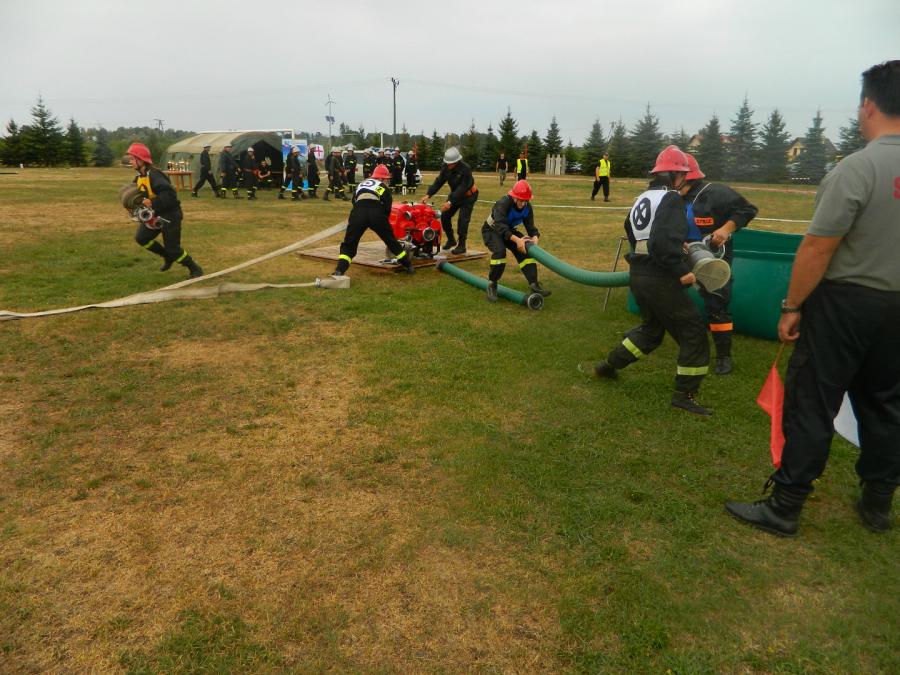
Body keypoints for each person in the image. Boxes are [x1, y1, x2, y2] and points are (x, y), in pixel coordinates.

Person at [725, 60, 900, 537]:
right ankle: (878, 503)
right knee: (886, 402)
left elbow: (819, 247)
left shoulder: (858, 168)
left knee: (813, 401)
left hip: (845, 304)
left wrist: (792, 306)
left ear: (869, 106)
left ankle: (786, 506)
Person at [583, 145, 711, 416]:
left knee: (651, 331)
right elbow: (662, 243)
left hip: (639, 273)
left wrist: (660, 246)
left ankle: (608, 366)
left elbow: (630, 228)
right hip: (661, 276)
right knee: (693, 332)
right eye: (685, 176)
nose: (686, 182)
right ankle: (684, 395)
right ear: (677, 175)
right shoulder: (671, 198)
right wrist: (681, 270)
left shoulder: (644, 197)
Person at [681, 152, 758, 375]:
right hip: (682, 255)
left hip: (714, 258)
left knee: (717, 305)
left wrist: (725, 229)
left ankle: (723, 356)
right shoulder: (672, 196)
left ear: (687, 177)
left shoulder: (716, 193)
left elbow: (748, 209)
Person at [125, 142, 203, 279]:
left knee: (173, 249)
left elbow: (171, 196)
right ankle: (167, 256)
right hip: (155, 214)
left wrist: (152, 203)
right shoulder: (139, 177)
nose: (130, 162)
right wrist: (132, 202)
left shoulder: (155, 176)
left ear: (141, 160)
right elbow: (138, 196)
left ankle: (194, 268)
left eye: (132, 159)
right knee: (142, 238)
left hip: (170, 215)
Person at [331, 164, 415, 277]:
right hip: (376, 213)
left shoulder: (361, 184)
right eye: (386, 179)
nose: (387, 181)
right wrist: (382, 222)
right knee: (391, 240)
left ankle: (339, 270)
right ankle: (408, 266)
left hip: (358, 212)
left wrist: (357, 216)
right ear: (381, 178)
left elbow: (354, 201)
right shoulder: (382, 187)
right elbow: (387, 207)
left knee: (349, 243)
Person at [481, 180, 550, 303]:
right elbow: (501, 226)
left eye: (526, 201)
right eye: (521, 200)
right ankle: (492, 284)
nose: (523, 204)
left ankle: (534, 285)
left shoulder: (527, 207)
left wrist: (535, 237)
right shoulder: (503, 203)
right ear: (514, 197)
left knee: (526, 250)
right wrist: (517, 240)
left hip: (508, 230)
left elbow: (530, 226)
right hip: (492, 230)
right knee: (500, 252)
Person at [420, 146, 478, 255]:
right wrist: (428, 194)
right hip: (455, 195)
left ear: (457, 161)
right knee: (445, 216)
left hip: (468, 196)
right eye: (447, 163)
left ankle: (462, 245)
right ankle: (451, 240)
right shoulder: (445, 167)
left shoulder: (466, 169)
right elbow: (439, 181)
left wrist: (450, 202)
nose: (449, 165)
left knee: (463, 220)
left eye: (451, 163)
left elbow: (462, 188)